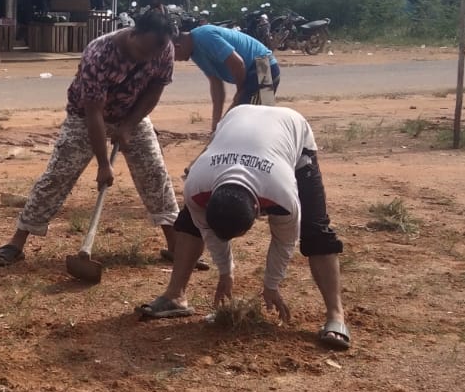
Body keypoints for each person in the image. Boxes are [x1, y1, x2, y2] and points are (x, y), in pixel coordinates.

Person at [136, 104, 351, 351]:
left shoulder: (281, 193)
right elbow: (206, 229)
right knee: (187, 223)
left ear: (260, 209)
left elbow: (284, 241)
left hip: (292, 130)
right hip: (236, 120)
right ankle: (175, 296)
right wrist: (226, 272)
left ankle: (336, 316)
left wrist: (271, 285)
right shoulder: (196, 184)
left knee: (316, 230)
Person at [0, 11, 180, 266]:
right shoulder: (99, 53)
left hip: (133, 114)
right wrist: (103, 164)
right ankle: (17, 242)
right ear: (134, 34)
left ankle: (177, 247)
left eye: (153, 54)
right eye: (143, 53)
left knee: (155, 174)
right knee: (58, 175)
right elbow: (93, 112)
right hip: (86, 117)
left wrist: (129, 125)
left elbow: (155, 89)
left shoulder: (163, 49)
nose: (147, 59)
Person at [174, 23, 281, 128]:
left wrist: (239, 92)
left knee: (246, 120)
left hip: (264, 65)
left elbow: (238, 63)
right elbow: (216, 85)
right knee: (253, 120)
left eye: (172, 56)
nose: (174, 60)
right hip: (256, 70)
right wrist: (215, 124)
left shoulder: (204, 36)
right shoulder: (195, 53)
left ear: (177, 47)